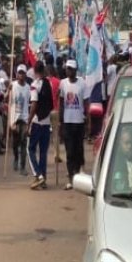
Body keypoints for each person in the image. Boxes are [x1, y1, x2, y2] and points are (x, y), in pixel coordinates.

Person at [59, 59, 89, 190]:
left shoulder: (82, 83)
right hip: (67, 122)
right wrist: (60, 122)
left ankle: (78, 172)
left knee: (78, 150)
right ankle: (71, 177)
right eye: (67, 68)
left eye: (71, 69)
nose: (68, 71)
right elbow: (61, 103)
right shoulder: (63, 83)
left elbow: (86, 103)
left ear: (75, 70)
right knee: (69, 151)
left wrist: (89, 121)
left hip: (79, 122)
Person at [27, 61, 53, 190]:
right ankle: (44, 179)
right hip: (47, 122)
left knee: (30, 149)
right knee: (43, 152)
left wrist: (28, 123)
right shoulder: (48, 84)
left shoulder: (34, 85)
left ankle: (38, 174)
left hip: (37, 121)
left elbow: (34, 105)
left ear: (34, 70)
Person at [8, 65, 31, 176]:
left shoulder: (28, 88)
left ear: (25, 75)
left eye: (22, 73)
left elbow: (30, 103)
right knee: (15, 143)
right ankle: (16, 158)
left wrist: (29, 122)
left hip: (24, 119)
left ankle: (22, 166)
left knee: (23, 143)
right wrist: (8, 91)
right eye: (19, 73)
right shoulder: (12, 86)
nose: (20, 75)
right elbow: (5, 99)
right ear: (16, 74)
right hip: (14, 119)